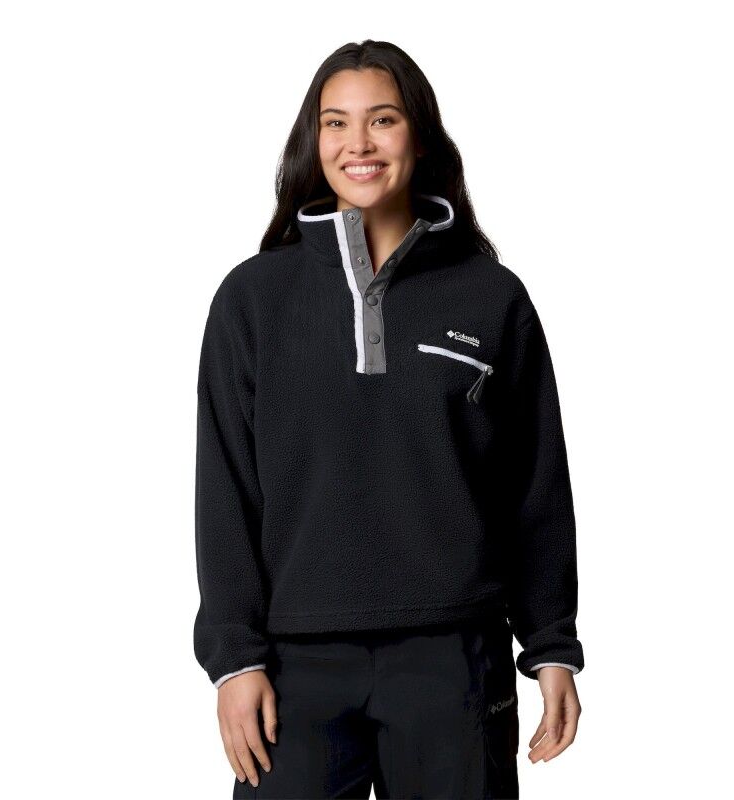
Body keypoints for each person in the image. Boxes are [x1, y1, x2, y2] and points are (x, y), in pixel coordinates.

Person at [193, 39, 585, 799]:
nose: (358, 144)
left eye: (382, 119)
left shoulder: (491, 296)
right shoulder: (252, 300)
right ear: (313, 142)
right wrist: (234, 661)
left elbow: (535, 486)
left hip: (454, 655)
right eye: (335, 123)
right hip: (293, 666)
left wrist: (550, 645)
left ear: (420, 136)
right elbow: (226, 489)